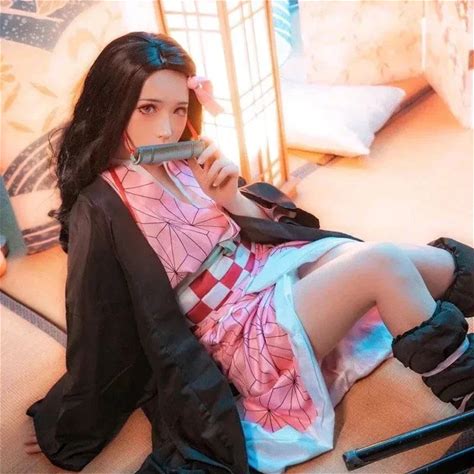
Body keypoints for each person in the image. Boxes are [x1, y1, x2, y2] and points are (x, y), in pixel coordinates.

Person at [24, 31, 474, 474]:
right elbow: (97, 320)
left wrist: (231, 198)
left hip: (270, 269)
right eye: (148, 108)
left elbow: (262, 229)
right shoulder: (101, 205)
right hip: (235, 330)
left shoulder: (184, 155)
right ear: (114, 103)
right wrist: (68, 424)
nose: (165, 127)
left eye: (178, 109)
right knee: (381, 264)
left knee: (412, 260)